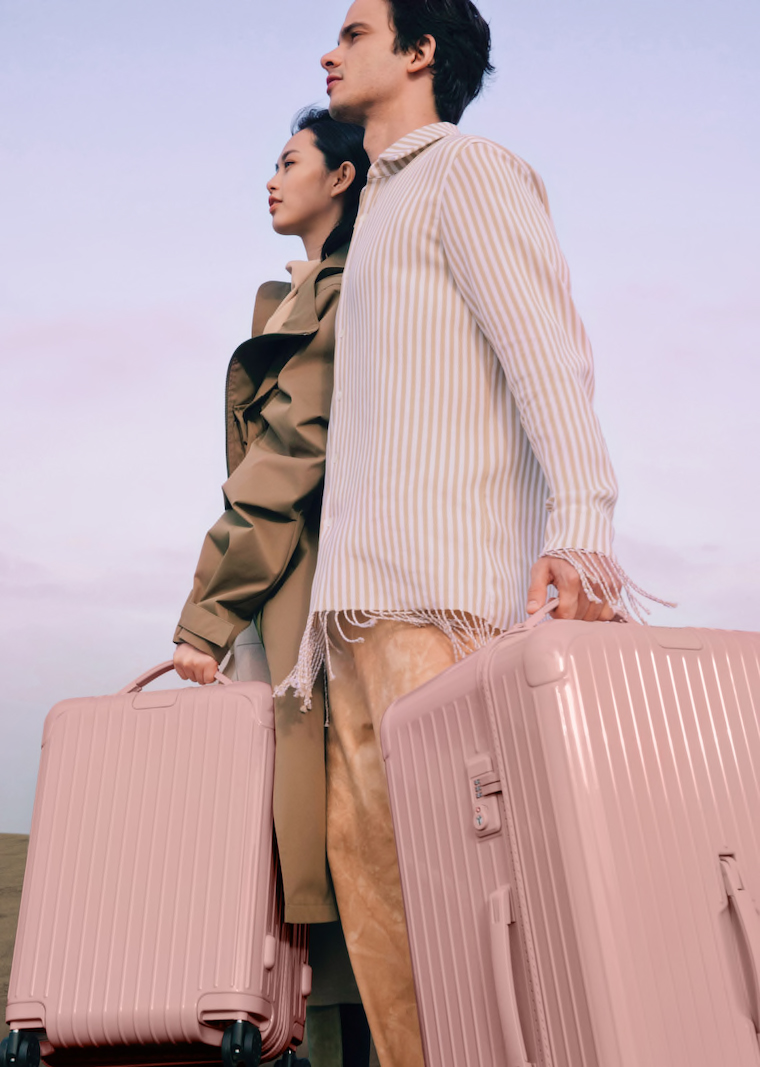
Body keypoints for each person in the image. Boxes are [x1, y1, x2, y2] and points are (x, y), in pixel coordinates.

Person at [276, 2, 673, 1065]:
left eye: (356, 30)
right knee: (388, 926)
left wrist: (581, 530)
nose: (330, 47)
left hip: (440, 604)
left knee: (471, 917)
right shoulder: (375, 221)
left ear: (420, 53)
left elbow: (551, 360)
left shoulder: (472, 171)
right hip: (352, 621)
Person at [171, 107, 372, 1067]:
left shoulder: (346, 291)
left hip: (316, 603)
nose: (270, 177)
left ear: (342, 178)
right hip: (281, 600)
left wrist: (207, 614)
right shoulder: (294, 294)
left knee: (334, 865)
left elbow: (289, 458)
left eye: (290, 160)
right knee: (302, 867)